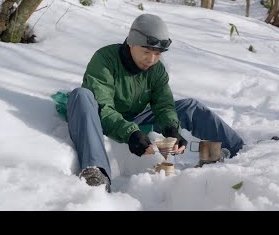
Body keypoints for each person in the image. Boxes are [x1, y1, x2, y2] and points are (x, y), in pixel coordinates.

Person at [67, 13, 244, 192]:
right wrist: (130, 133)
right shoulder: (105, 60)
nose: (151, 59)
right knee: (81, 95)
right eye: (146, 52)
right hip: (99, 119)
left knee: (191, 107)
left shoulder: (156, 70)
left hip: (135, 119)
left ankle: (235, 151)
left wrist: (171, 129)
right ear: (131, 43)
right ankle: (96, 171)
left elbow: (164, 105)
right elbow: (103, 107)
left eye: (157, 54)